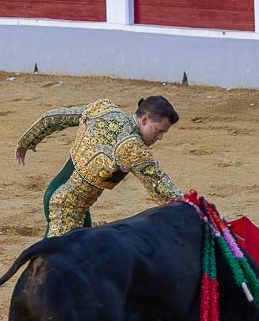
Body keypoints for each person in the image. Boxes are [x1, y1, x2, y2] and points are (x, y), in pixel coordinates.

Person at [15, 96, 182, 239]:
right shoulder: (132, 147)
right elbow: (159, 185)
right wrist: (192, 206)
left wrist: (27, 141)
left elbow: (53, 118)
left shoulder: (105, 110)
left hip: (63, 197)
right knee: (54, 267)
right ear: (145, 119)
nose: (159, 138)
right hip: (65, 208)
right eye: (159, 131)